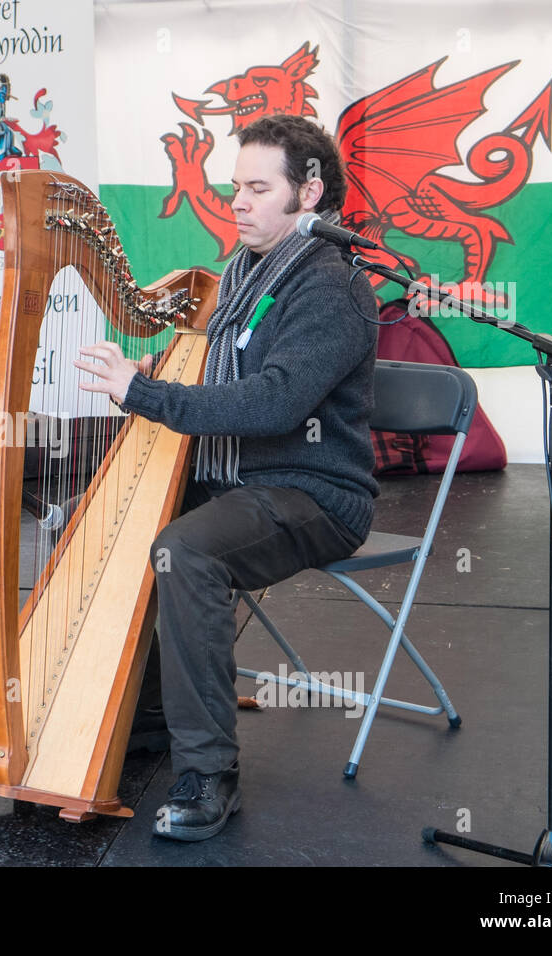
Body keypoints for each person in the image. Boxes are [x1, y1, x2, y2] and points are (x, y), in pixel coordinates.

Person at [75, 114, 379, 842]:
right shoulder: (245, 269)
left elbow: (275, 401)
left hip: (314, 491)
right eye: (234, 186)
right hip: (240, 476)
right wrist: (164, 373)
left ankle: (208, 772)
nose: (236, 202)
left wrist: (144, 394)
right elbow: (231, 367)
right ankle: (145, 715)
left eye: (256, 187)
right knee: (92, 520)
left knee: (189, 551)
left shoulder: (332, 285)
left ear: (309, 193)